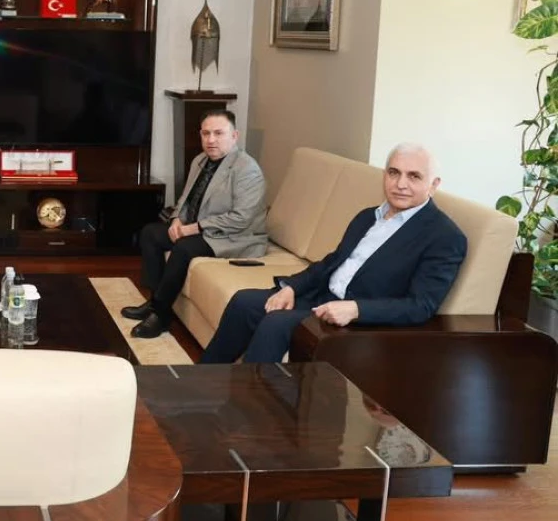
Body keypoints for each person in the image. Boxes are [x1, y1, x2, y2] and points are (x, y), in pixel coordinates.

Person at [200, 143, 468, 364]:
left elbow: (420, 306)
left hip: (359, 320)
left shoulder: (444, 237)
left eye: (414, 176)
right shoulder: (368, 216)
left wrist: (356, 309)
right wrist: (291, 287)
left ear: (434, 185)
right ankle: (201, 383)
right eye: (393, 173)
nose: (400, 184)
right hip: (320, 298)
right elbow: (333, 262)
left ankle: (247, 405)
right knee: (244, 302)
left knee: (275, 324)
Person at [125, 109, 268, 339]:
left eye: (219, 133)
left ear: (234, 136)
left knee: (184, 247)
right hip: (201, 229)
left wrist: (194, 228)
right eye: (206, 133)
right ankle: (153, 301)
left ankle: (161, 315)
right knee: (151, 233)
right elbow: (186, 198)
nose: (211, 140)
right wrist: (176, 220)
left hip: (235, 237)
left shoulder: (247, 169)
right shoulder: (200, 160)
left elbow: (241, 218)